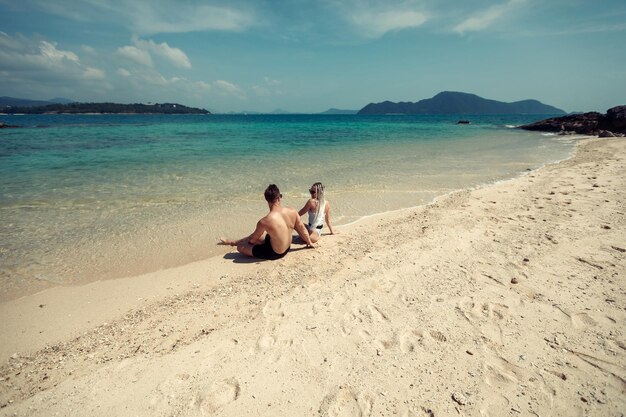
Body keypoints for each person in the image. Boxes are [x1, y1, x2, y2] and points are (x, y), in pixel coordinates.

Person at [219, 184, 314, 259]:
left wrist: (247, 244)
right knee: (260, 237)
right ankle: (233, 241)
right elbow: (301, 228)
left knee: (240, 247)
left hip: (275, 253)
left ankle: (235, 243)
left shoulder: (265, 221)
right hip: (287, 248)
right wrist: (309, 242)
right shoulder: (292, 211)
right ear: (278, 198)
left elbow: (252, 240)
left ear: (267, 200)